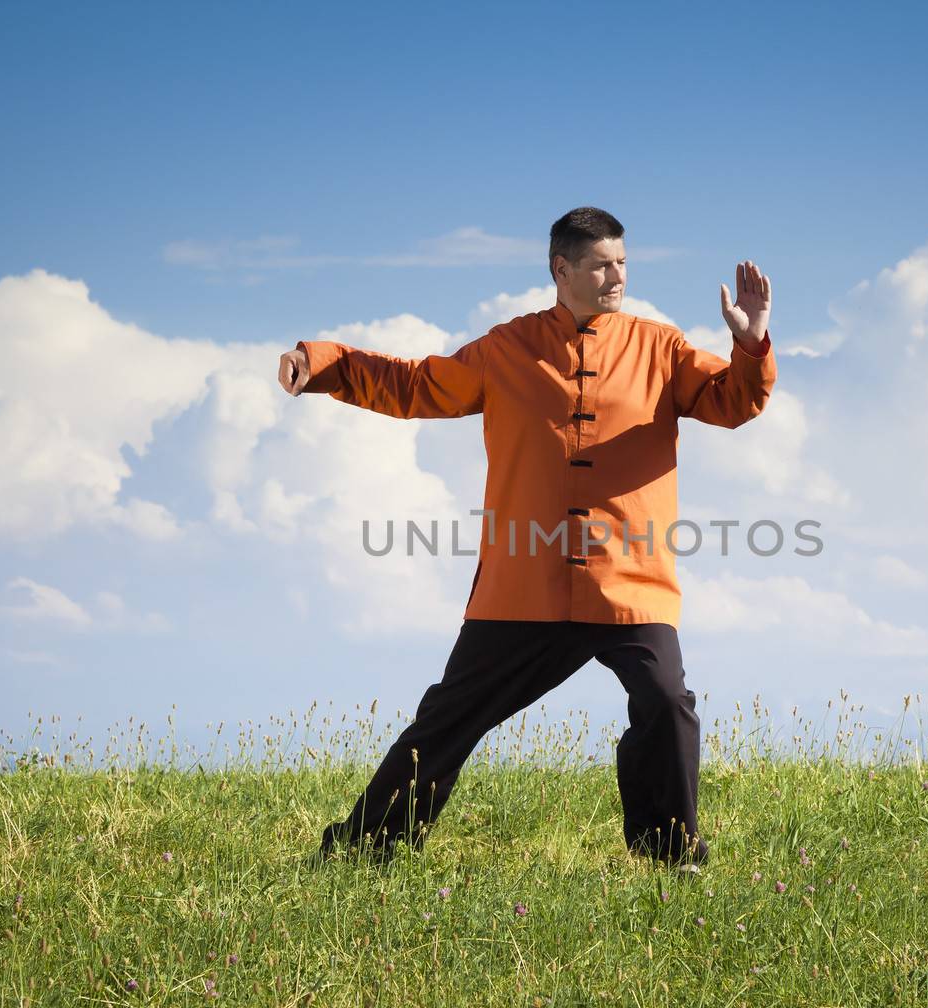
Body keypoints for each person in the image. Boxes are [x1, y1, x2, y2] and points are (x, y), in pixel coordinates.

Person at [278, 206, 776, 872]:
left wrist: (751, 344)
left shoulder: (661, 349)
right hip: (523, 582)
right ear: (561, 268)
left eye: (623, 262)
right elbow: (417, 386)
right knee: (447, 721)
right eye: (601, 263)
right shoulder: (507, 349)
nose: (616, 275)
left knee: (666, 700)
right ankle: (363, 848)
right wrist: (326, 362)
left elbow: (734, 402)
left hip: (628, 580)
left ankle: (669, 851)